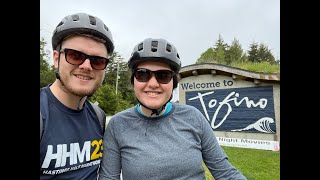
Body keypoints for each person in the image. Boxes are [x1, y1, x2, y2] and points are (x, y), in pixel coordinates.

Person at [98, 38, 247, 179]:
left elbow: (225, 173)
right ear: (133, 81)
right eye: (143, 74)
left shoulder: (193, 117)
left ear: (173, 83)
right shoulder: (118, 125)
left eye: (163, 76)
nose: (153, 84)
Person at [40, 12, 114, 179]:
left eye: (97, 61)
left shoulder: (98, 116)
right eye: (75, 55)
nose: (86, 66)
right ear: (56, 58)